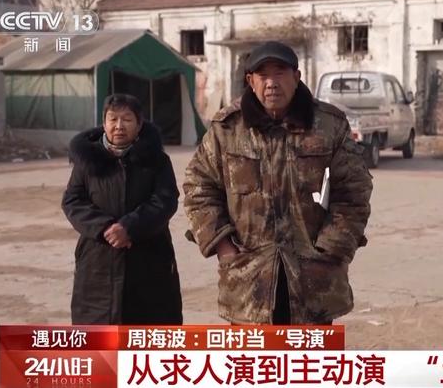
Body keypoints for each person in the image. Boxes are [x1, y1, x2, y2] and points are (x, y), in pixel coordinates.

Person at [183, 41, 372, 325]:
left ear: (296, 77)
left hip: (314, 282)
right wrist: (223, 247)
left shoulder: (328, 124)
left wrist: (331, 247)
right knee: (254, 356)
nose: (271, 83)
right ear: (251, 81)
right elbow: (199, 188)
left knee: (309, 355)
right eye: (263, 75)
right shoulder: (227, 128)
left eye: (280, 73)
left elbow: (354, 192)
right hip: (248, 283)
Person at [62, 93, 182, 325]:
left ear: (139, 124)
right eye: (113, 119)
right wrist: (105, 228)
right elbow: (73, 200)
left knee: (149, 333)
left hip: (149, 259)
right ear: (104, 123)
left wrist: (129, 227)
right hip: (97, 261)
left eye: (127, 119)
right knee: (98, 337)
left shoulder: (157, 160)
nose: (119, 126)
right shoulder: (88, 161)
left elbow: (165, 200)